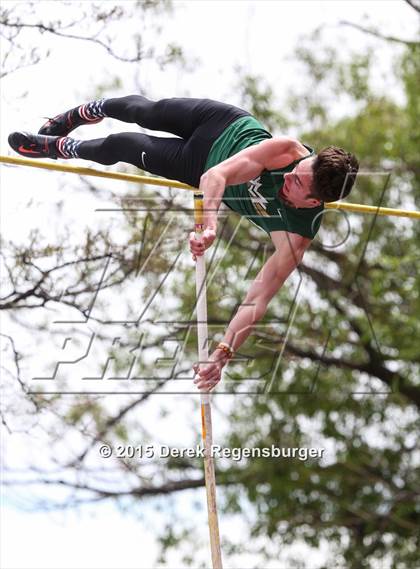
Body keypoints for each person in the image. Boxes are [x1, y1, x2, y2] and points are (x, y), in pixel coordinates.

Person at [8, 95, 359, 391]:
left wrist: (223, 351)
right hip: (222, 125)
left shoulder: (296, 235)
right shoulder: (287, 152)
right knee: (144, 111)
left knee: (123, 146)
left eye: (296, 184)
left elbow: (258, 298)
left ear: (313, 202)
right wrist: (209, 226)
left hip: (193, 165)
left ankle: (57, 147)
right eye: (298, 168)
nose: (288, 175)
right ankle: (82, 113)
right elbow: (217, 176)